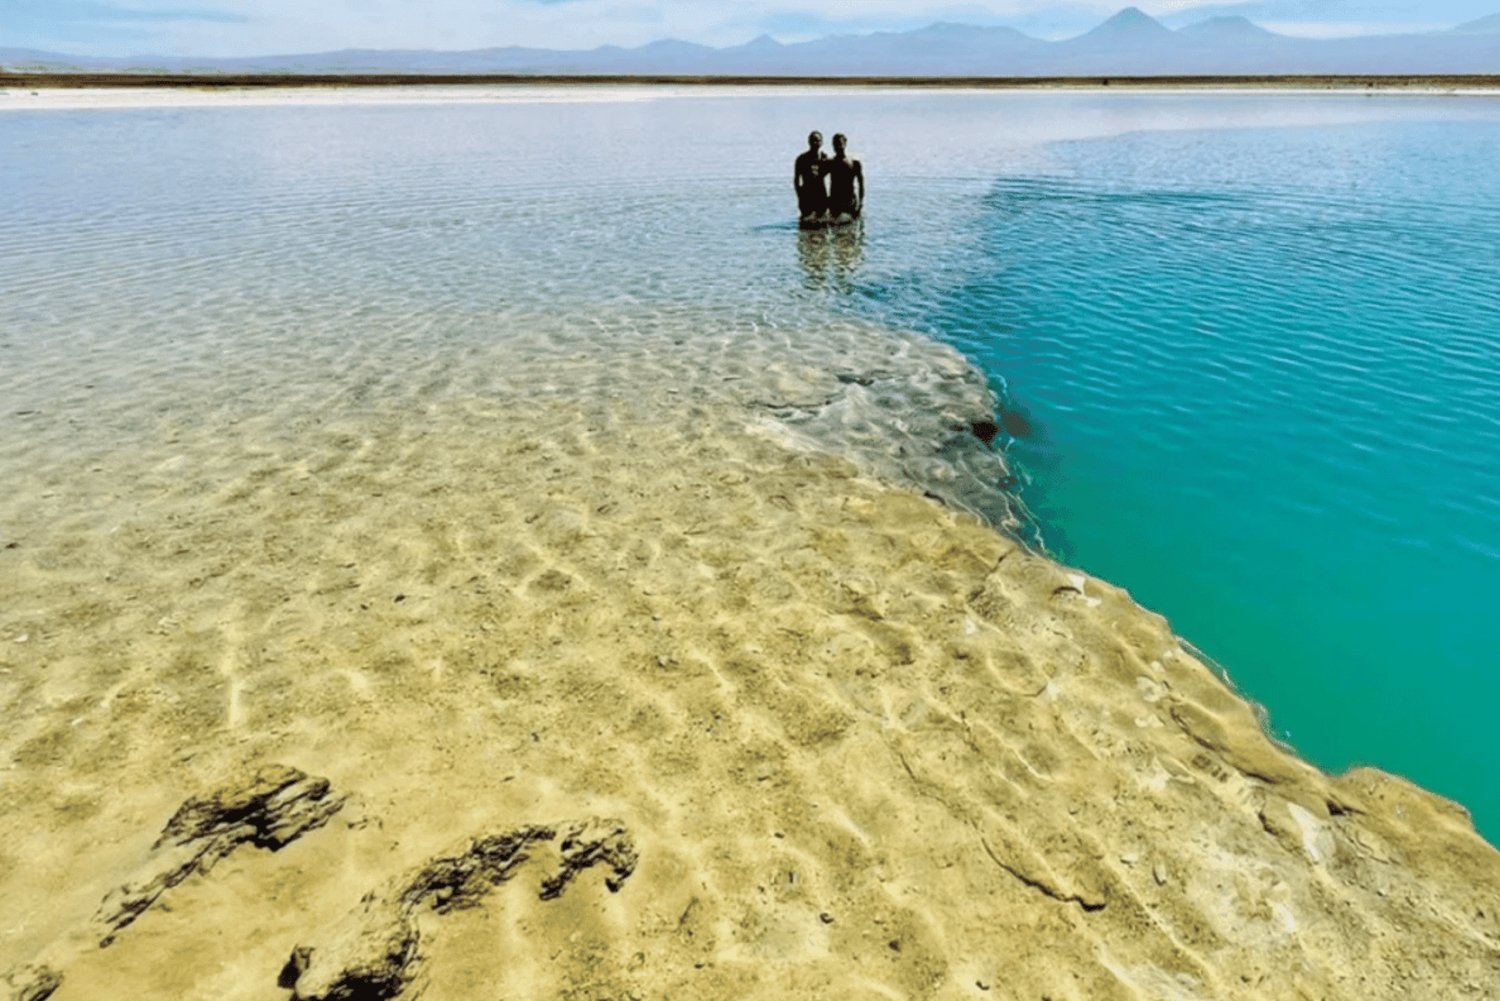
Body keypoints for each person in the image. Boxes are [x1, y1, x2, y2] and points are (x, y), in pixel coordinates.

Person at [825, 133, 864, 222]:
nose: (837, 147)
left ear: (845, 143)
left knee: (851, 230)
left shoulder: (854, 163)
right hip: (835, 203)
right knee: (836, 231)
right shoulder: (830, 163)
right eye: (835, 144)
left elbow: (861, 184)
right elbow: (817, 178)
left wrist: (860, 203)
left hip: (850, 202)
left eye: (840, 144)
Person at [793, 131, 828, 224]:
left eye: (818, 140)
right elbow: (796, 179)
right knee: (805, 223)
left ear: (822, 142)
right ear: (809, 142)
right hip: (807, 195)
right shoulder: (802, 159)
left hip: (821, 195)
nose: (815, 143)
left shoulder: (825, 158)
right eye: (813, 140)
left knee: (822, 223)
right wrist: (799, 196)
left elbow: (834, 177)